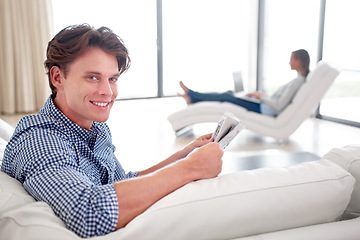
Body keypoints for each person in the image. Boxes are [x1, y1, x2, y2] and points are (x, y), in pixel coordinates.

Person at [1, 24, 223, 238]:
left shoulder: (96, 128)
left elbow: (119, 183)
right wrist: (189, 168)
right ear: (58, 77)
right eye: (93, 77)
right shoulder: (39, 139)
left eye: (113, 79)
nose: (108, 92)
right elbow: (89, 214)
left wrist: (183, 156)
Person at [179, 49, 310, 116]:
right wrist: (261, 95)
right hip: (263, 105)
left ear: (298, 61)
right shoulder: (298, 81)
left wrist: (262, 97)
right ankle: (193, 99)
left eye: (291, 59)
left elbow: (279, 105)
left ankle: (192, 94)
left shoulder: (298, 82)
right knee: (229, 93)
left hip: (263, 108)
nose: (289, 62)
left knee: (226, 97)